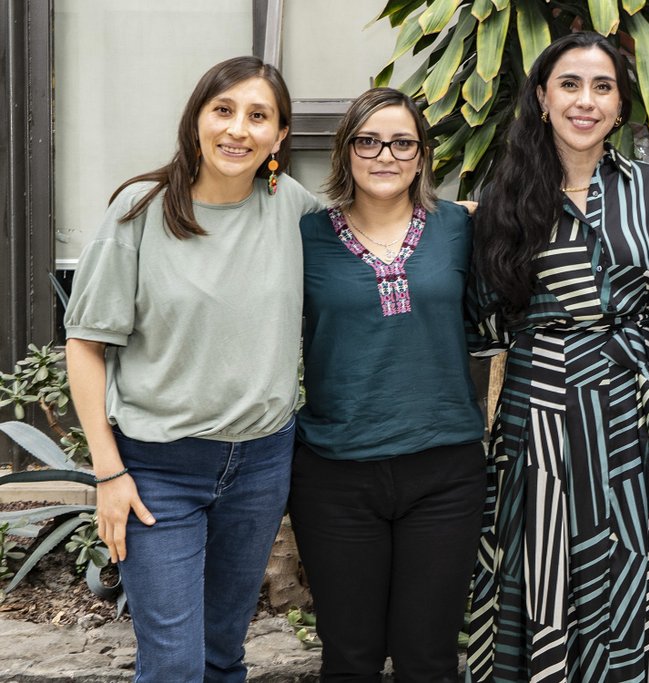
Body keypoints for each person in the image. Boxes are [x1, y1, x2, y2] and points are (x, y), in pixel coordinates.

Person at [63, 56, 321, 681]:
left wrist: (465, 218)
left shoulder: (290, 205)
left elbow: (375, 228)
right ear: (197, 118)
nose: (238, 129)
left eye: (258, 116)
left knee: (222, 653)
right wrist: (109, 473)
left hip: (261, 464)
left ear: (279, 136)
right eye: (223, 110)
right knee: (174, 664)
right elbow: (85, 343)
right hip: (157, 469)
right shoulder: (140, 209)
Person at [467, 31, 649, 683]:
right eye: (569, 84)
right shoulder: (502, 195)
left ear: (621, 106)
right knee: (541, 561)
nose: (585, 101)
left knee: (633, 556)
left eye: (603, 87)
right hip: (539, 412)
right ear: (542, 98)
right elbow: (483, 314)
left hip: (631, 411)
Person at [287, 87, 485, 682]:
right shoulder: (303, 236)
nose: (385, 155)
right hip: (336, 475)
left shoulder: (459, 227)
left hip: (443, 470)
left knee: (429, 658)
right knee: (350, 658)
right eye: (368, 141)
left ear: (422, 155)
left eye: (402, 143)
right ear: (345, 151)